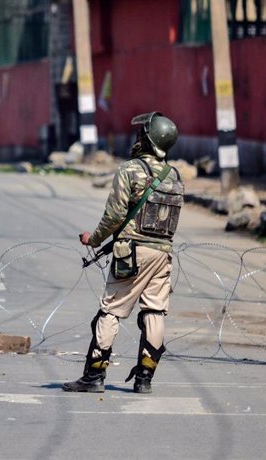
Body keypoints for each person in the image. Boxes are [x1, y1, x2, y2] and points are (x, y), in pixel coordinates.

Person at [62, 112, 184, 394]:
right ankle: (144, 378)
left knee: (110, 312)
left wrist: (93, 239)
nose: (137, 137)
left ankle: (94, 375)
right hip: (162, 254)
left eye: (142, 134)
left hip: (131, 252)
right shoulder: (175, 176)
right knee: (154, 311)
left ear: (147, 140)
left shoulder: (130, 170)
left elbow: (115, 215)